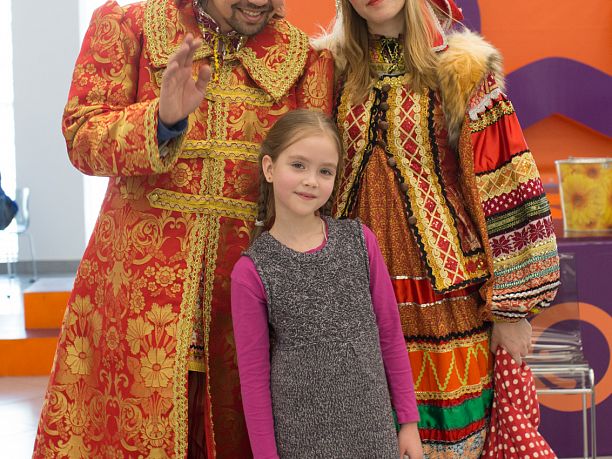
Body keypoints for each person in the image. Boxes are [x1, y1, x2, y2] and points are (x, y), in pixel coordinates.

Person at [33, 1, 333, 457]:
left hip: (246, 306)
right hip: (135, 301)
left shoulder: (305, 60)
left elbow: (320, 183)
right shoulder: (130, 26)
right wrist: (161, 120)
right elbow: (81, 136)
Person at [316, 0, 560, 456]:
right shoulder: (328, 70)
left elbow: (504, 181)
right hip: (348, 294)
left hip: (446, 300)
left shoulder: (461, 70)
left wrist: (513, 310)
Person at [231, 109, 423, 458]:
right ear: (269, 168)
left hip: (373, 433)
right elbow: (254, 380)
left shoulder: (360, 242)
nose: (311, 181)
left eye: (325, 171)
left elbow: (390, 334)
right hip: (301, 443)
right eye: (298, 165)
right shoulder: (251, 271)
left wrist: (408, 422)